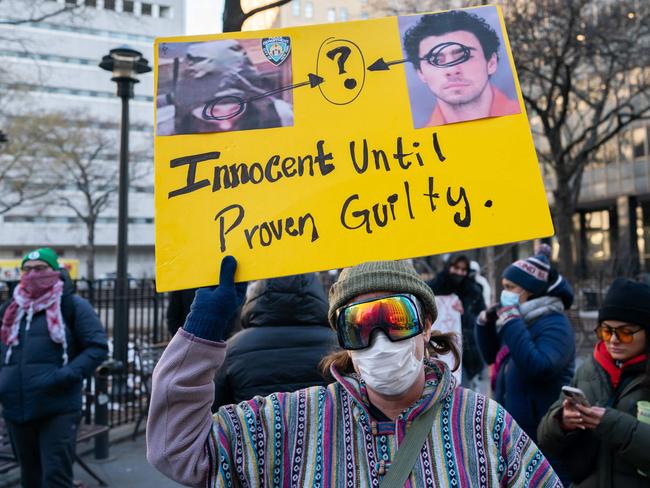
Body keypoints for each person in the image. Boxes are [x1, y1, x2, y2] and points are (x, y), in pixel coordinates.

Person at [147, 257, 561, 486]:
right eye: (358, 325)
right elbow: (176, 451)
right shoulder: (287, 422)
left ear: (428, 325)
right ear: (341, 339)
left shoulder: (485, 425)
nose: (380, 340)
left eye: (396, 318)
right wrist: (201, 330)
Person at [0, 248, 108, 488]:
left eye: (40, 269)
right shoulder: (12, 309)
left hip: (56, 408)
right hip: (15, 410)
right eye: (27, 270)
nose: (32, 274)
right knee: (30, 479)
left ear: (55, 271)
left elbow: (97, 347)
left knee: (55, 479)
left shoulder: (73, 305)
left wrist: (62, 377)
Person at [538, 278, 650, 487]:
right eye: (607, 331)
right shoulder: (589, 369)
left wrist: (611, 424)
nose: (613, 340)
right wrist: (562, 422)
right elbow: (544, 439)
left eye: (626, 333)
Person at [475, 251, 575, 445]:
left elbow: (539, 366)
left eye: (510, 287)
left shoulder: (555, 324)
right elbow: (491, 356)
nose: (505, 293)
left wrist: (512, 321)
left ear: (530, 290)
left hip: (541, 434)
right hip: (513, 430)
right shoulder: (521, 320)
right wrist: (485, 324)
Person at [212, 273, 338, 409]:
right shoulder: (337, 343)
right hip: (325, 428)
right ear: (316, 293)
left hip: (253, 429)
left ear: (259, 294)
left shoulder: (233, 349)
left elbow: (216, 408)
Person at [403, 10, 520, 127]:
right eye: (436, 60)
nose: (452, 70)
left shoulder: (527, 122)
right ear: (421, 73)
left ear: (491, 63)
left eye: (464, 56)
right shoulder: (422, 141)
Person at [169, 41, 293, 135]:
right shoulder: (166, 128)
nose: (226, 125)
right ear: (189, 108)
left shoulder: (281, 118)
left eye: (235, 109)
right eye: (213, 112)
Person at [428, 254, 486, 385]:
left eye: (463, 269)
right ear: (449, 266)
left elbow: (480, 320)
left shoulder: (474, 292)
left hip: (466, 353)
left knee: (463, 394)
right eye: (456, 268)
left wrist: (464, 313)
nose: (459, 272)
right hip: (435, 351)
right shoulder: (432, 288)